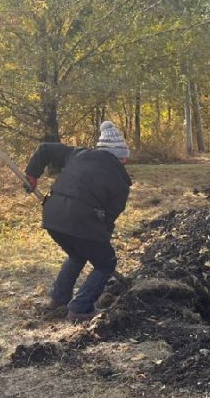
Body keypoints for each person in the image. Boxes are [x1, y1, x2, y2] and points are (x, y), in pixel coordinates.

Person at [24, 121, 132, 322]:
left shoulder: (78, 153)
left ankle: (58, 300)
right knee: (106, 262)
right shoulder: (121, 180)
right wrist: (103, 238)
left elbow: (45, 149)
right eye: (125, 158)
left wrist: (32, 174)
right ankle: (80, 308)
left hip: (52, 214)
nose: (125, 161)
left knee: (77, 254)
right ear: (120, 156)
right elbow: (110, 216)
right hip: (81, 219)